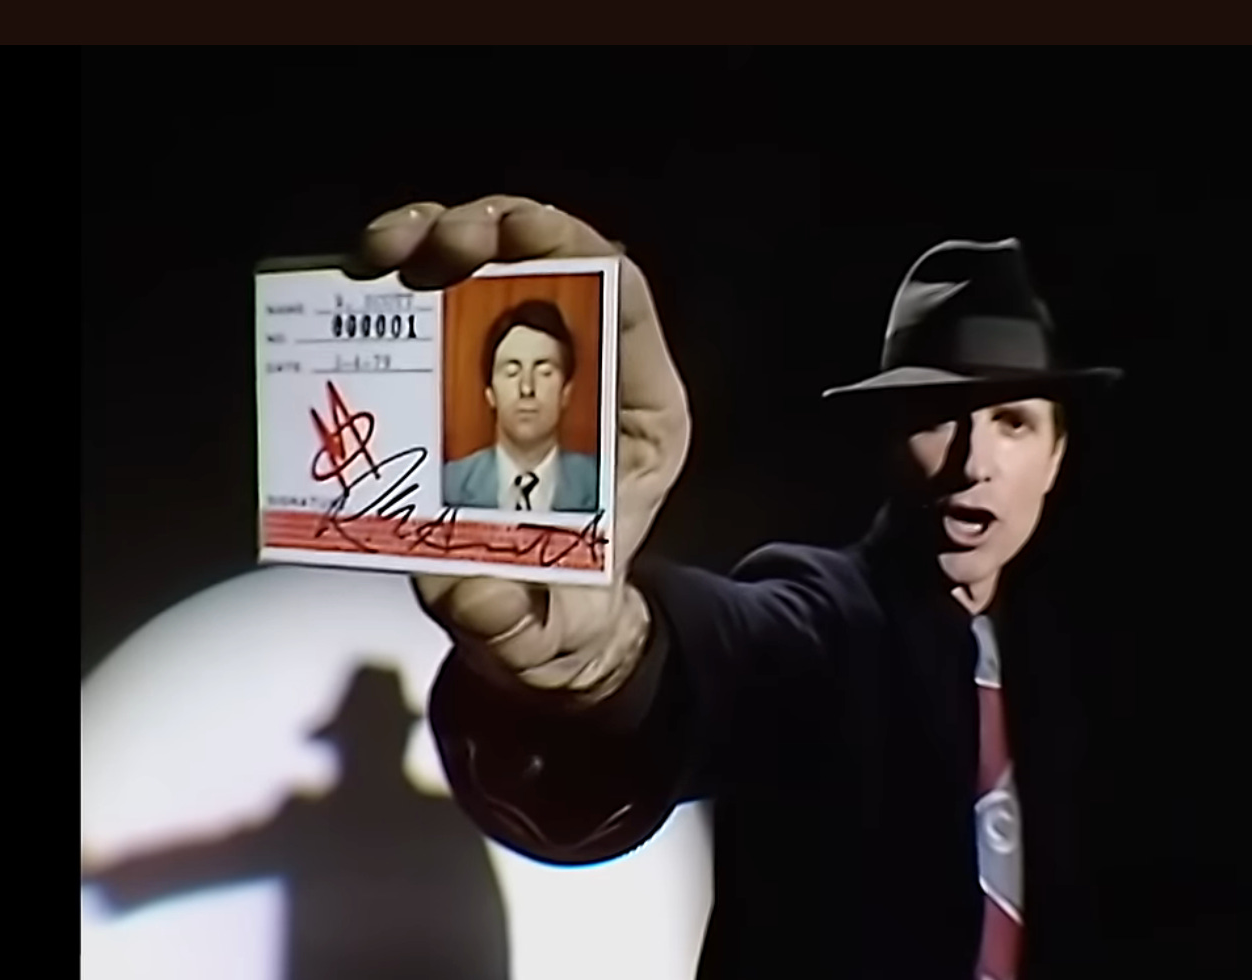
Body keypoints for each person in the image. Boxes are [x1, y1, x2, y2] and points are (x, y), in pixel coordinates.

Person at [350, 196, 1122, 980]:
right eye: (938, 418)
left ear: (1056, 457)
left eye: (1013, 422)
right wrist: (600, 659)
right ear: (889, 438)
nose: (974, 463)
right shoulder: (833, 618)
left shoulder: (1072, 667)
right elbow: (734, 656)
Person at [442, 298, 599, 513]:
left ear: (566, 392)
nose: (527, 388)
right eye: (512, 372)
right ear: (490, 393)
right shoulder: (446, 484)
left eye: (544, 372)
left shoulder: (602, 483)